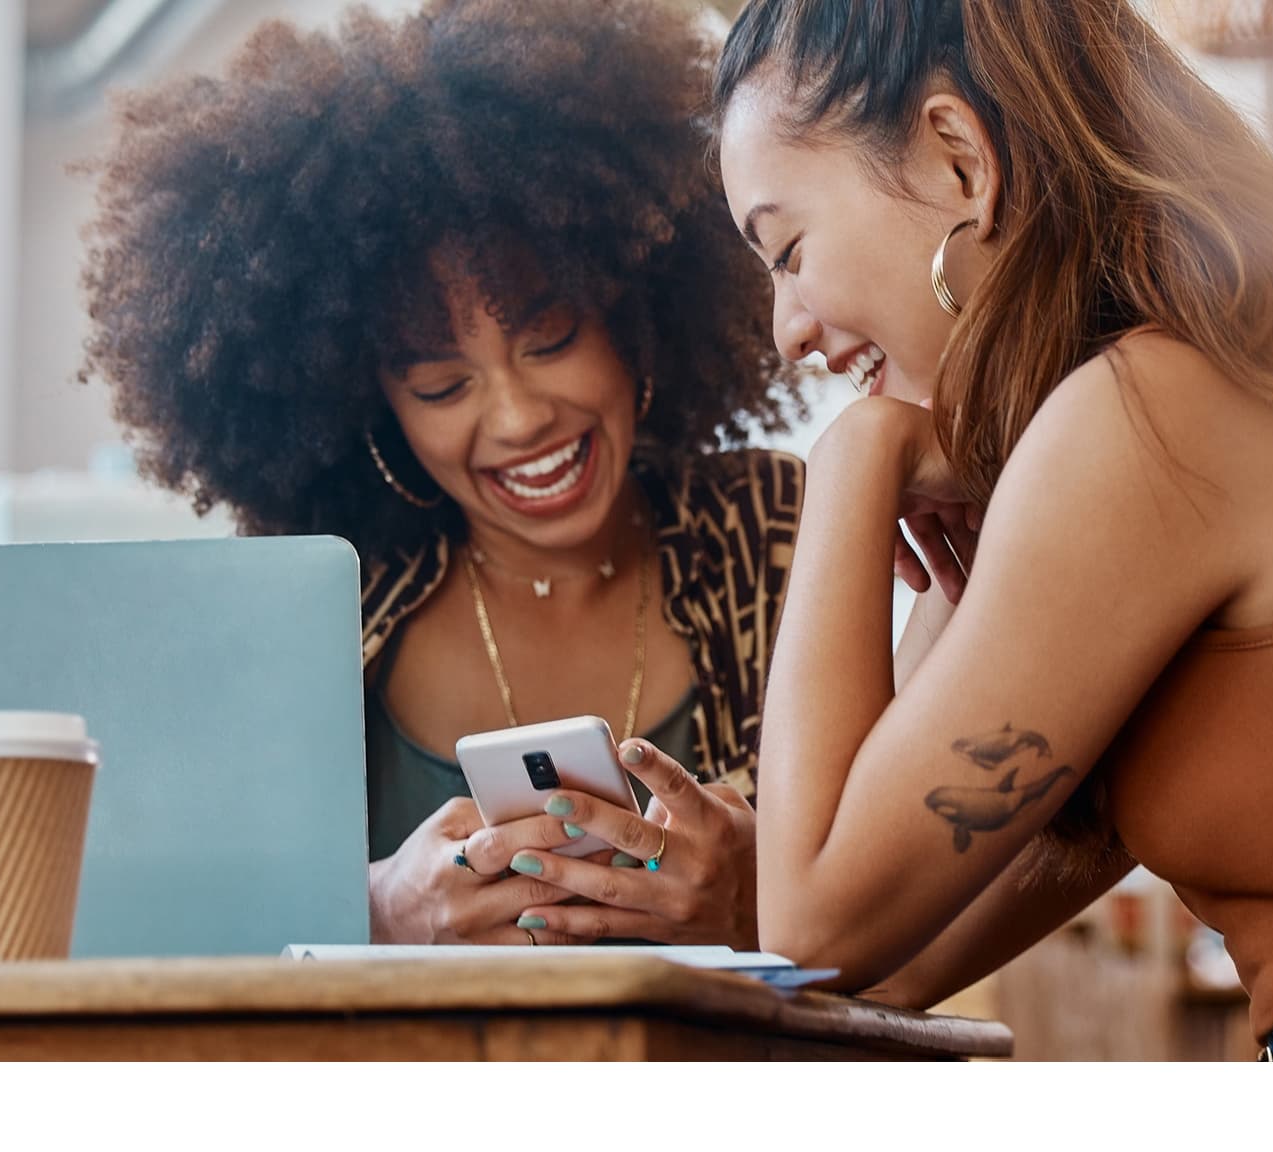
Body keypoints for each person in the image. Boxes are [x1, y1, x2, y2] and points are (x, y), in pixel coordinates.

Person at [707, 0, 1273, 1060]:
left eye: (787, 250)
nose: (788, 330)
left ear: (963, 161)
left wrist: (856, 454)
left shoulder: (1148, 412)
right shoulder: (1176, 388)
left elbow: (819, 924)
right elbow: (904, 948)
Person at [80, 0, 805, 949]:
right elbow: (173, 933)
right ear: (373, 408)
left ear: (633, 313)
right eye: (440, 384)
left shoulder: (768, 524)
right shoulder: (324, 604)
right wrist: (376, 913)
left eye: (551, 338)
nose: (516, 417)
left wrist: (750, 905)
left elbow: (887, 902)